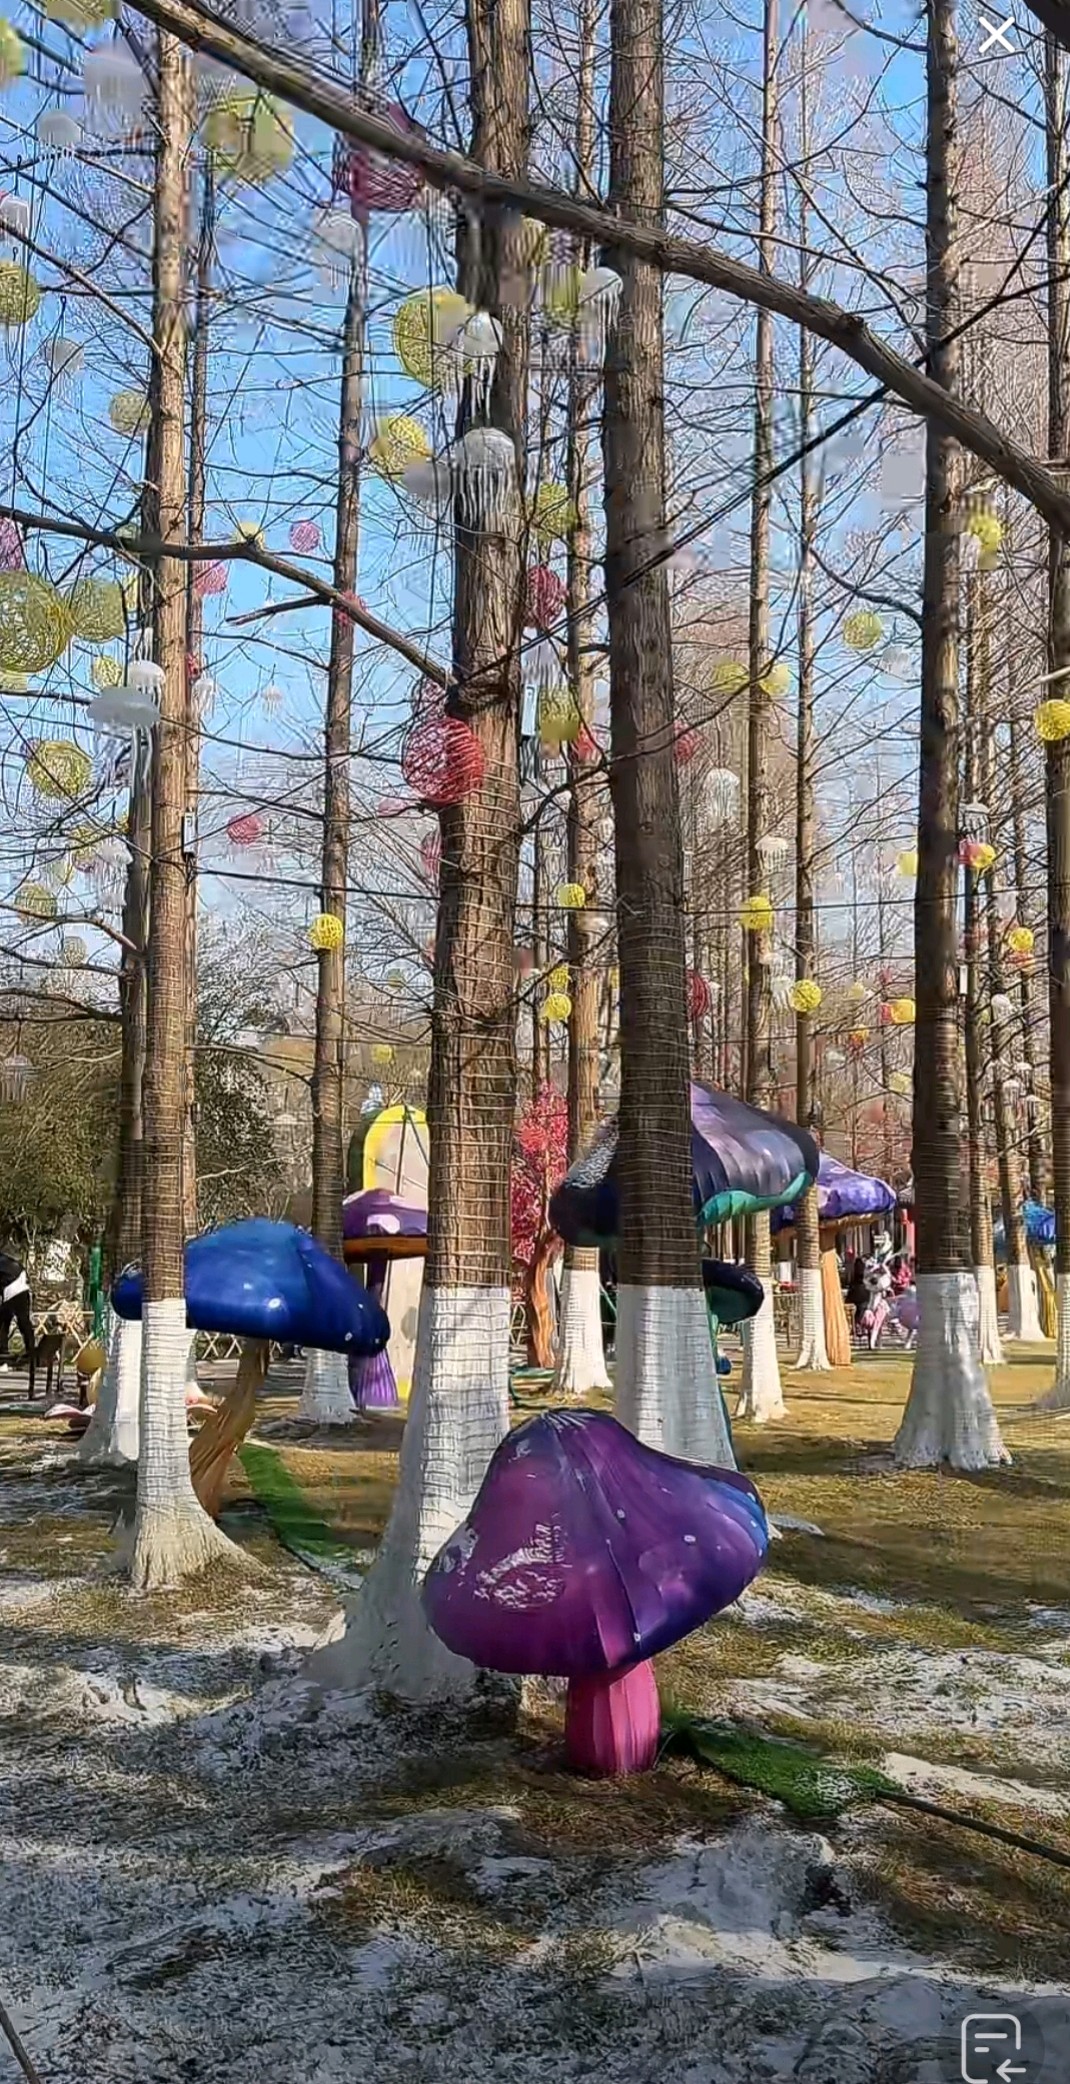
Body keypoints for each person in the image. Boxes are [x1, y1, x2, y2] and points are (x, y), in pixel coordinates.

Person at [0, 1247, 35, 1396]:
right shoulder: (6, 1260)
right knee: (23, 1323)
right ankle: (31, 1351)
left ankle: (3, 1355)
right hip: (22, 1288)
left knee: (5, 1323)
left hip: (12, 1290)